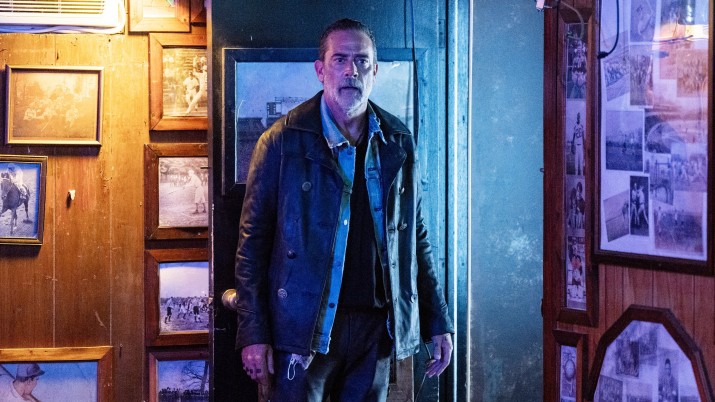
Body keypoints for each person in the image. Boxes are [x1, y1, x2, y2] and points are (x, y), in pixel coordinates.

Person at [235, 18, 454, 401]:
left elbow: (414, 236)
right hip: (303, 331)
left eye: (362, 60)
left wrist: (437, 319)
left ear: (375, 70)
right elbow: (252, 245)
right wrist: (253, 332)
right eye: (340, 60)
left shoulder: (398, 140)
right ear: (321, 70)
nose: (351, 70)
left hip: (375, 329)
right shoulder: (282, 141)